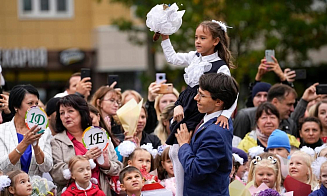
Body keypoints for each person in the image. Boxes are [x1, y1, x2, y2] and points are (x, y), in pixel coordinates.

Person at [160, 20, 237, 145]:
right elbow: (172, 58)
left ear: (215, 41)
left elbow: (233, 93)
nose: (197, 41)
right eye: (196, 37)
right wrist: (165, 38)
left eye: (203, 38)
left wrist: (225, 115)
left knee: (188, 143)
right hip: (185, 103)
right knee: (174, 144)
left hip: (200, 109)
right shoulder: (194, 56)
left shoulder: (220, 67)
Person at [175, 73, 238, 195]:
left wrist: (183, 145)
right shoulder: (210, 118)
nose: (196, 98)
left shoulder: (215, 133)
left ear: (218, 102)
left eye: (202, 96)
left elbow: (196, 170)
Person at [50, 94, 122, 195]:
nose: (66, 116)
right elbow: (57, 175)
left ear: (82, 112)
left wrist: (107, 165)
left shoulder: (99, 135)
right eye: (62, 113)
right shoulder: (57, 141)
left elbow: (118, 168)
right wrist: (84, 158)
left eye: (70, 111)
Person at [234, 83, 319, 142]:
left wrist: (305, 100)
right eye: (289, 104)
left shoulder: (289, 123)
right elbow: (235, 148)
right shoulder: (245, 116)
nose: (292, 109)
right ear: (275, 102)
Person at [0, 84, 52, 176]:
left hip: (36, 188)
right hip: (10, 187)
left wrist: (36, 147)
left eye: (36, 103)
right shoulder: (2, 130)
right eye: (30, 103)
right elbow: (3, 167)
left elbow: (47, 167)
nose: (34, 107)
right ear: (16, 106)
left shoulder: (44, 130)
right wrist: (25, 143)